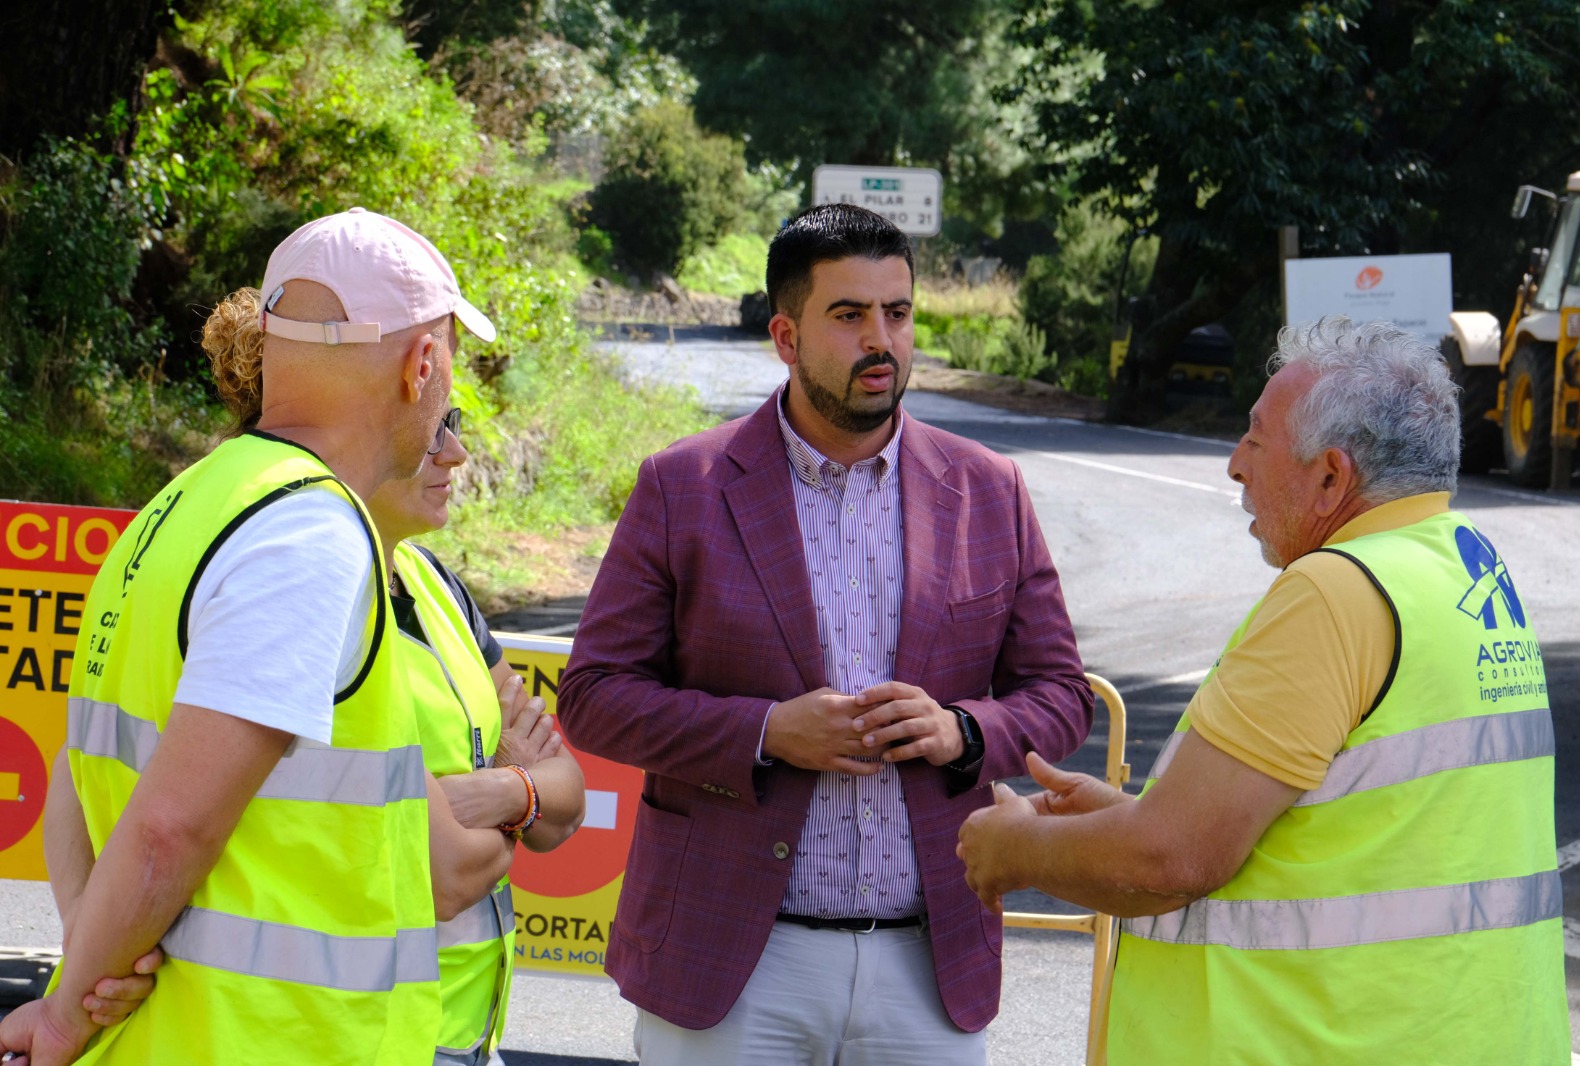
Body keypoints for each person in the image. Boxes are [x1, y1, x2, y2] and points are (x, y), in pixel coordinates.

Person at [557, 203, 1096, 1065]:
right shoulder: (683, 486)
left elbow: (1062, 695)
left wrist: (961, 731)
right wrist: (767, 734)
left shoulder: (988, 489)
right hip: (733, 963)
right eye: (848, 315)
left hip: (929, 964)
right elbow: (592, 699)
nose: (880, 339)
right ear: (785, 334)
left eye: (899, 312)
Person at [958, 316, 1571, 1063]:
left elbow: (1170, 860)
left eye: (1255, 437)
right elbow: (1374, 836)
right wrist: (1132, 815)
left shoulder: (1333, 592)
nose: (1234, 465)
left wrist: (1018, 848)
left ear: (1330, 478)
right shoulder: (1464, 568)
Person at [0, 207, 492, 1065]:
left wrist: (87, 970)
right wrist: (64, 1014)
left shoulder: (182, 504)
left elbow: (83, 787)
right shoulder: (310, 532)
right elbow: (168, 828)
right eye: (451, 363)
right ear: (423, 364)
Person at [204, 288, 589, 1065]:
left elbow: (565, 796)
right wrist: (517, 788)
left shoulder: (436, 587)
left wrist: (497, 793)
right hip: (368, 1032)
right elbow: (455, 868)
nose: (453, 453)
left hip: (468, 1030)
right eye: (437, 425)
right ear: (365, 430)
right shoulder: (311, 594)